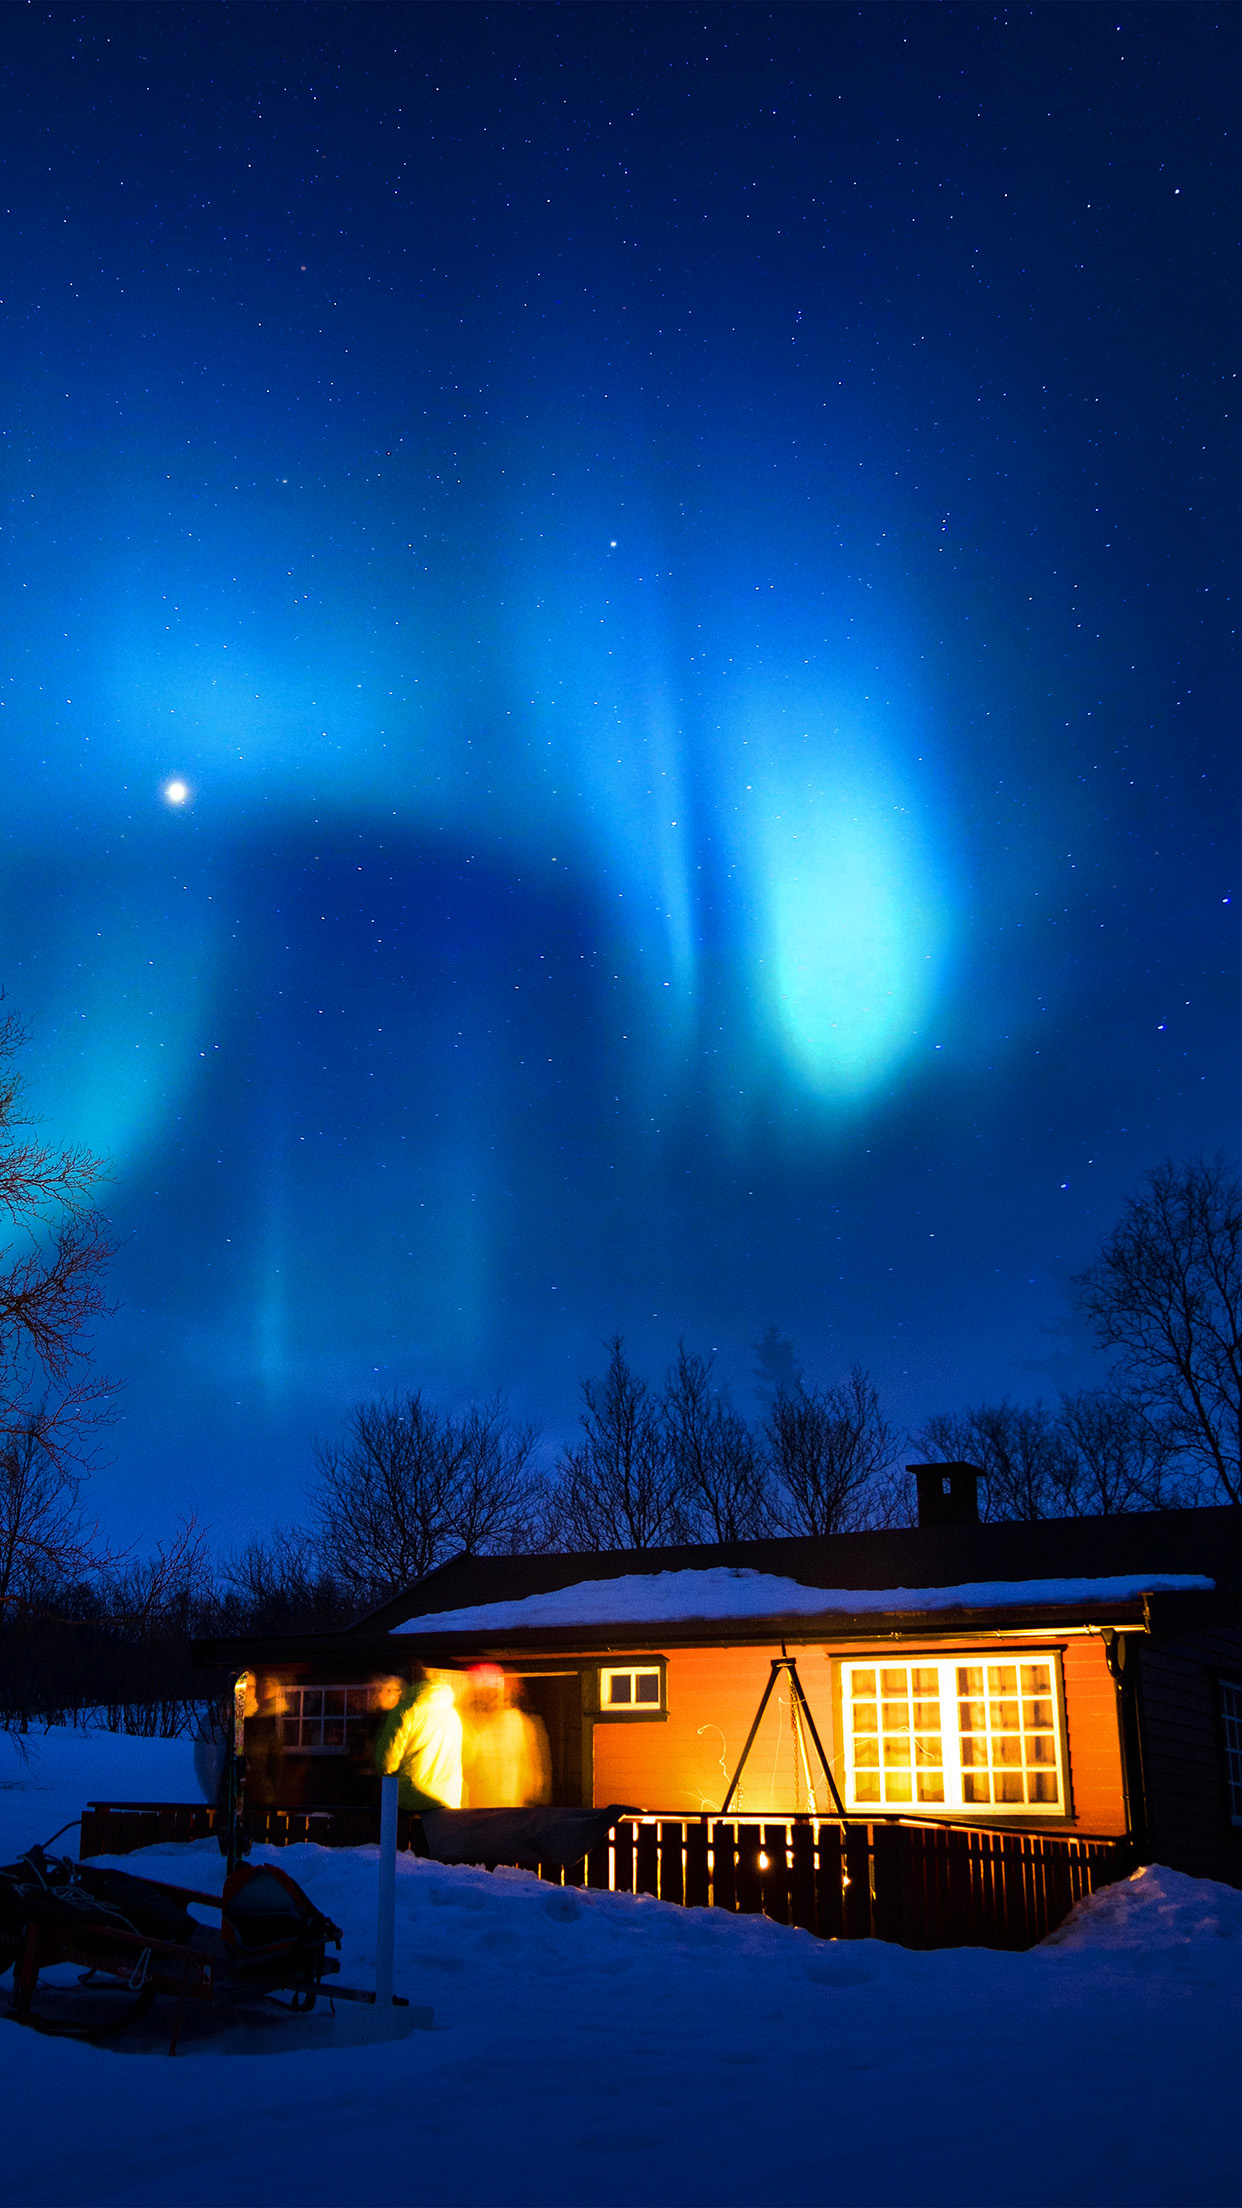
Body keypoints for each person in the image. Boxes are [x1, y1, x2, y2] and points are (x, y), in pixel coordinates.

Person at [460, 1665, 551, 1807]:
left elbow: (530, 1765)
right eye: (483, 1692)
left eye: (492, 1691)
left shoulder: (517, 1721)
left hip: (511, 1807)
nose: (487, 1696)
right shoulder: (466, 1722)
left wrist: (535, 1791)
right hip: (479, 1809)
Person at [373, 1671, 464, 1810]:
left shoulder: (406, 1710)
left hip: (413, 1796)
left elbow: (387, 1762)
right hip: (448, 1797)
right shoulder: (453, 1714)